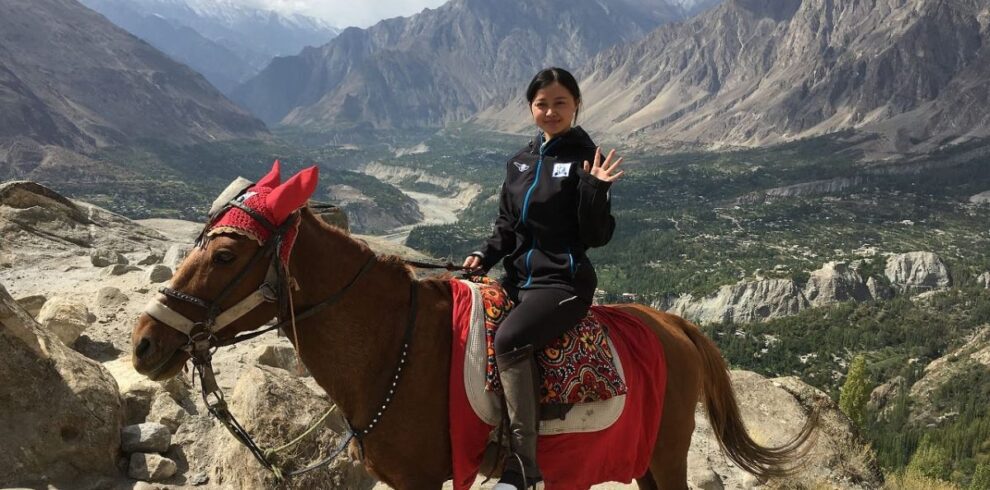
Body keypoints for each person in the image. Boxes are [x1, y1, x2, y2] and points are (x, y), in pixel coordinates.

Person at [462, 67, 623, 490]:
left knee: (510, 341)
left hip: (562, 283)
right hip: (518, 280)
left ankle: (522, 471)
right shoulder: (519, 160)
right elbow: (507, 225)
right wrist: (484, 253)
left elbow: (596, 236)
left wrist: (595, 191)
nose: (550, 111)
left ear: (576, 105)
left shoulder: (587, 161)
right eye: (541, 104)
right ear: (531, 107)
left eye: (560, 103)